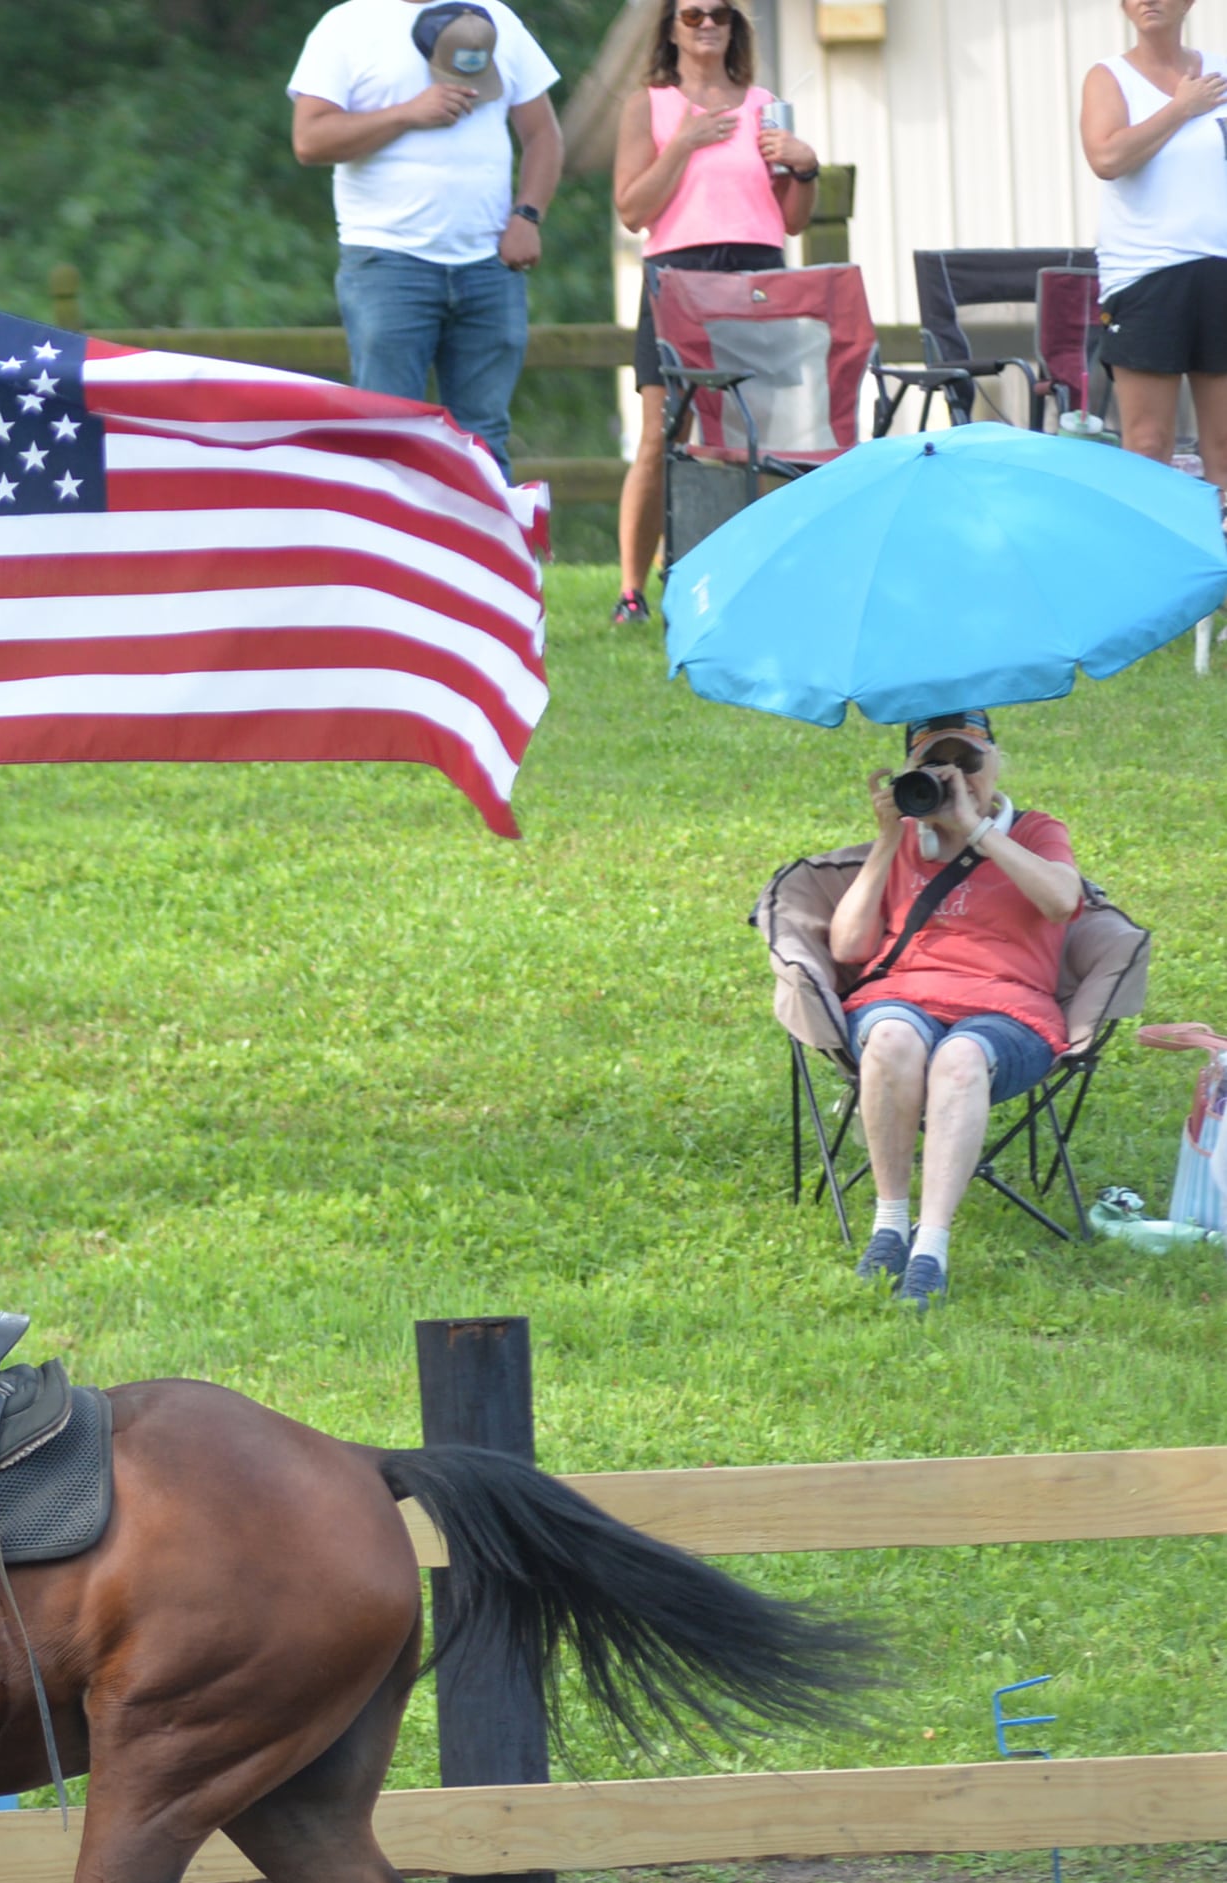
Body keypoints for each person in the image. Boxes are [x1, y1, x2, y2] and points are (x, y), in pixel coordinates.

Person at [830, 713, 1085, 1315]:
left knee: (962, 1059)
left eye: (969, 763)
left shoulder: (1036, 831)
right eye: (935, 767)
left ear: (997, 761)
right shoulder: (904, 840)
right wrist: (889, 840)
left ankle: (931, 1250)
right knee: (891, 1039)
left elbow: (1061, 900)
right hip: (903, 999)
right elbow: (846, 948)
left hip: (1008, 1009)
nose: (956, 778)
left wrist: (975, 829)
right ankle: (889, 1227)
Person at [291, 0, 565, 479]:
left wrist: (528, 216)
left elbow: (543, 133)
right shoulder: (347, 23)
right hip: (388, 264)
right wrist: (407, 114)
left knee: (483, 437)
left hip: (489, 266)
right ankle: (386, 553)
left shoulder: (495, 17)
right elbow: (310, 140)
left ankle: (486, 554)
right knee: (386, 433)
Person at [609, 1, 818, 624]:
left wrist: (804, 167)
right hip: (677, 270)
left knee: (760, 431)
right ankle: (631, 589)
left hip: (755, 267)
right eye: (692, 13)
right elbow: (632, 209)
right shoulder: (648, 104)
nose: (706, 24)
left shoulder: (764, 103)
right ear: (670, 27)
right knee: (661, 433)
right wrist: (682, 144)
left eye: (720, 14)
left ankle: (754, 575)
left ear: (735, 27)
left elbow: (793, 218)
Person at [1082, 0, 1227, 492]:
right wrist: (1181, 109)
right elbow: (1106, 157)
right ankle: (1147, 567)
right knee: (1147, 445)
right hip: (1145, 276)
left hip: (1219, 272)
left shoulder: (1220, 73)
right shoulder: (1109, 77)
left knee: (1224, 447)